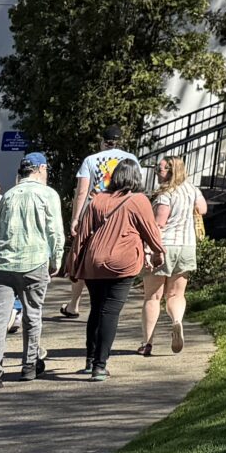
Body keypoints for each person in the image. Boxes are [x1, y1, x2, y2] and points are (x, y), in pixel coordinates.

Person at [61, 158, 163, 380]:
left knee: (96, 309)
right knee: (110, 312)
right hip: (123, 264)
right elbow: (151, 231)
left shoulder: (97, 200)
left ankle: (89, 360)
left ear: (115, 177)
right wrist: (158, 252)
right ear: (136, 177)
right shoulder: (139, 200)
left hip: (93, 262)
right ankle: (100, 365)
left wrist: (74, 264)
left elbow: (83, 234)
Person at [0, 153, 65, 392]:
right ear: (39, 169)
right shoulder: (48, 194)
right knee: (33, 314)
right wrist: (56, 259)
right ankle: (29, 364)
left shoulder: (8, 194)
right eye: (46, 169)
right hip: (35, 261)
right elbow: (55, 231)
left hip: (4, 264)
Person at [57, 130, 137, 319]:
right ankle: (111, 298)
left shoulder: (91, 160)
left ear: (103, 142)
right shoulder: (131, 158)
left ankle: (74, 304)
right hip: (121, 212)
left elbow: (82, 191)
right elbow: (136, 186)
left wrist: (76, 217)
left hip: (93, 211)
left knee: (83, 255)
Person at [136, 157, 206, 355]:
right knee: (176, 294)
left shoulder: (165, 195)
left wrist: (149, 249)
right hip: (187, 246)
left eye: (162, 169)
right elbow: (203, 209)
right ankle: (176, 321)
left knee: (153, 296)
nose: (158, 172)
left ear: (171, 171)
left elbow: (159, 223)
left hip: (164, 246)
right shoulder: (192, 189)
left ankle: (147, 342)